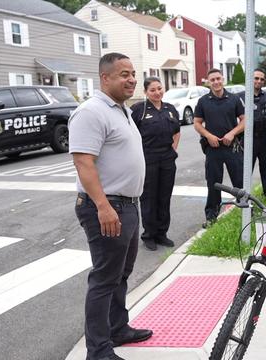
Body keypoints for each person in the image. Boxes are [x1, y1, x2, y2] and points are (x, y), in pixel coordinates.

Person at [69, 53, 152, 360]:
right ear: (105, 78)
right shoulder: (91, 112)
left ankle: (118, 328)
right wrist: (103, 206)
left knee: (122, 273)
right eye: (123, 74)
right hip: (107, 206)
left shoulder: (121, 110)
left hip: (128, 205)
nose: (131, 79)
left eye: (133, 73)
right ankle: (98, 351)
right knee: (104, 278)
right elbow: (83, 162)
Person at [131, 77, 181, 251]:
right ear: (145, 92)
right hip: (148, 158)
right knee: (149, 198)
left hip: (167, 158)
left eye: (159, 88)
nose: (157, 92)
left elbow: (177, 131)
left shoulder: (170, 109)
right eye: (152, 90)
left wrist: (173, 150)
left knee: (164, 197)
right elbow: (130, 134)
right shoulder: (139, 110)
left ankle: (162, 233)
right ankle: (149, 235)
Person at [194, 68, 245, 228]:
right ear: (208, 82)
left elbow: (244, 121)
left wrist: (232, 133)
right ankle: (211, 216)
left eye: (218, 78)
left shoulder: (234, 99)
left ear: (223, 79)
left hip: (232, 147)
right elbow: (197, 123)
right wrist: (208, 136)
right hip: (213, 148)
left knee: (239, 181)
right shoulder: (203, 101)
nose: (216, 82)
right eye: (212, 80)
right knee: (213, 183)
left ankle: (244, 214)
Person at [239, 69, 266, 200]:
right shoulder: (239, 97)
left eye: (261, 79)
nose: (259, 81)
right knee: (245, 172)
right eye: (256, 78)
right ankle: (243, 199)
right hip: (248, 140)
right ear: (250, 79)